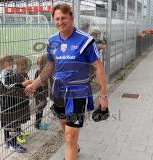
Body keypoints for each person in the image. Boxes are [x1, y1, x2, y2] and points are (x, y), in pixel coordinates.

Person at [25, 3, 109, 160]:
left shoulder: (86, 41)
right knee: (66, 129)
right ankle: (74, 145)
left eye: (63, 18)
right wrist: (34, 84)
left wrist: (103, 96)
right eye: (56, 19)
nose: (60, 22)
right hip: (58, 93)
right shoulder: (51, 41)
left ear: (71, 17)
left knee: (69, 137)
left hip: (77, 94)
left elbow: (98, 67)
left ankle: (71, 147)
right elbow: (49, 67)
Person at [0, 56, 32, 153]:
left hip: (12, 102)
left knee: (10, 122)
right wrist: (22, 84)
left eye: (11, 62)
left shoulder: (11, 72)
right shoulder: (4, 74)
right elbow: (8, 85)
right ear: (2, 64)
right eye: (8, 62)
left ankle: (7, 141)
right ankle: (13, 145)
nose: (11, 64)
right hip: (7, 103)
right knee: (11, 123)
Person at [34, 55, 49, 130]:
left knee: (41, 107)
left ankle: (38, 123)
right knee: (40, 107)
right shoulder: (38, 71)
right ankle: (37, 124)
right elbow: (36, 82)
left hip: (42, 92)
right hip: (39, 92)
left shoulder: (45, 71)